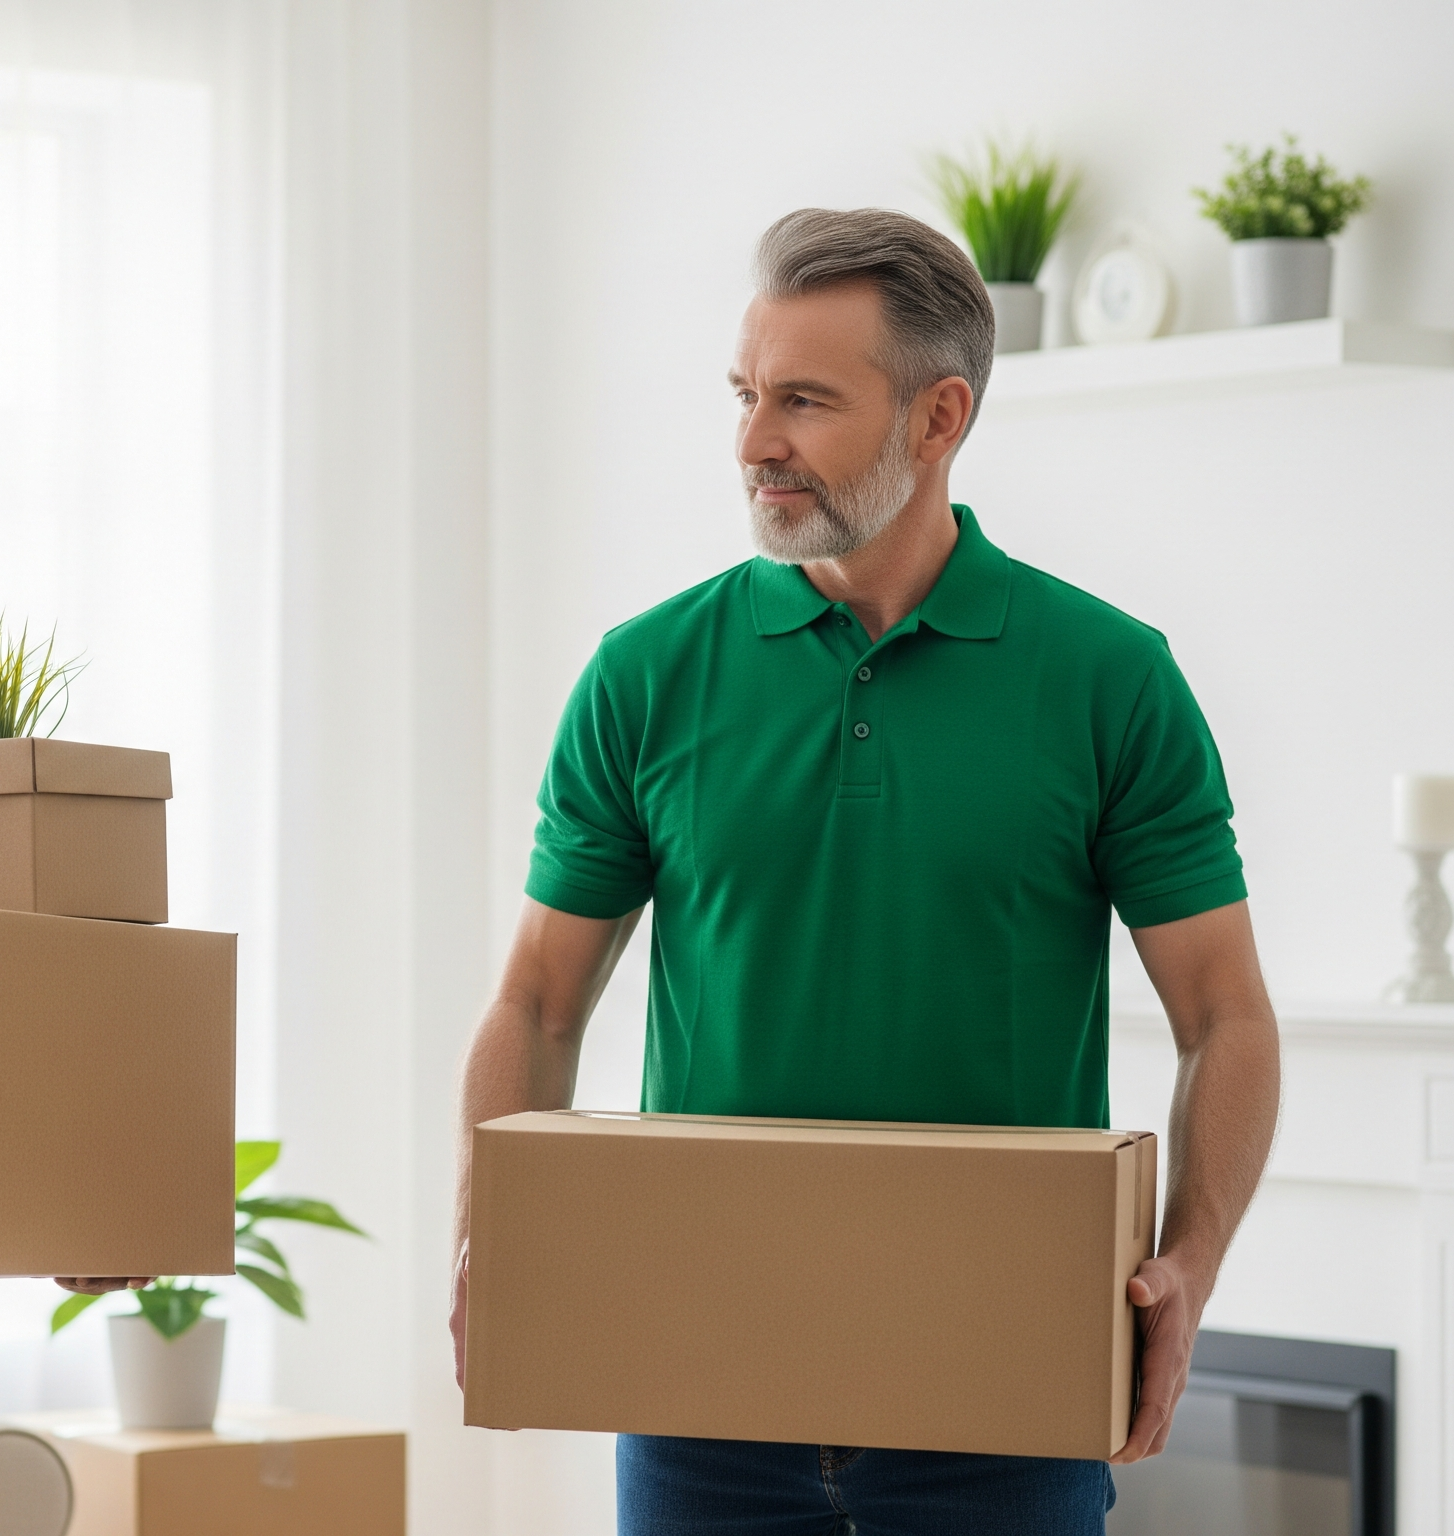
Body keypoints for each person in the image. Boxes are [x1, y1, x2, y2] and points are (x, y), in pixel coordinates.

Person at [448, 208, 1283, 1535]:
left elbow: (1226, 1016)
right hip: (699, 1390)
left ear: (939, 418)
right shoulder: (645, 675)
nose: (752, 443)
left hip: (1005, 1390)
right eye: (744, 395)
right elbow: (539, 1002)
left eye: (804, 401)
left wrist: (1189, 1260)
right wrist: (492, 1234)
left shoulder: (1109, 678)